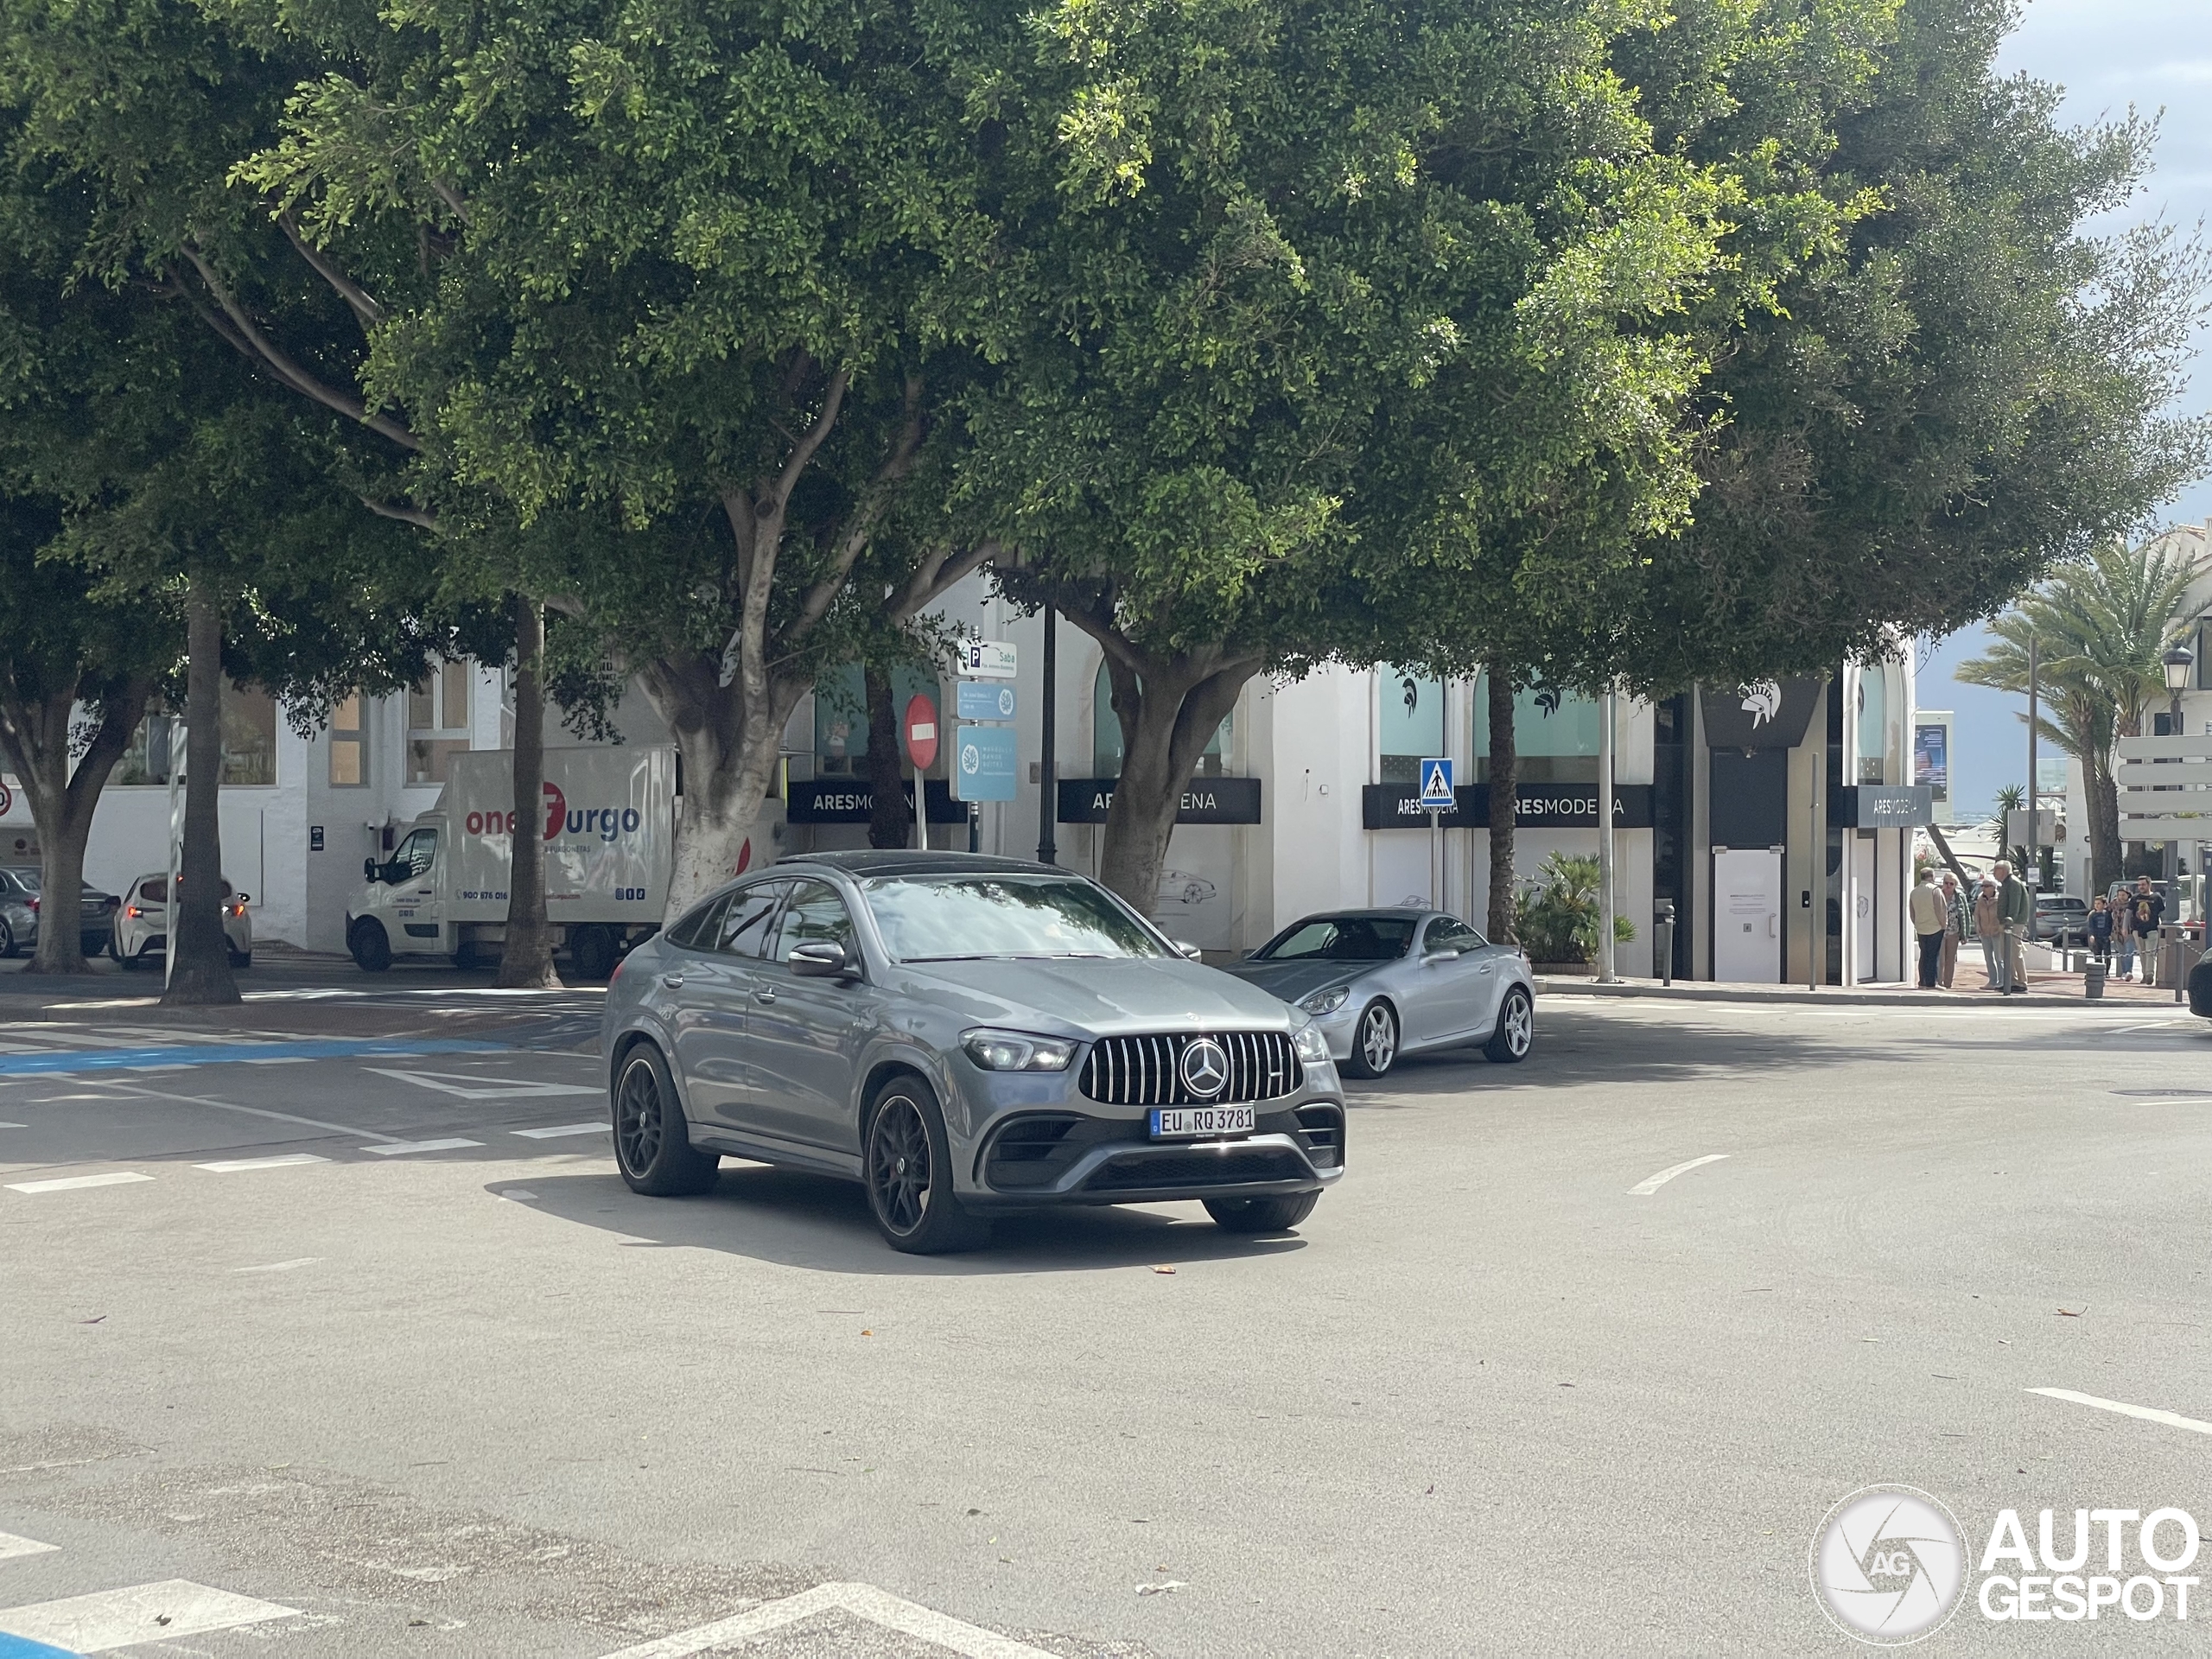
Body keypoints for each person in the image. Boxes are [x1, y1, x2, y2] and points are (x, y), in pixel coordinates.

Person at [1994, 860, 2031, 995]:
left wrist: (2007, 922)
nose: (1993, 873)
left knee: (2014, 953)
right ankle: (2011, 981)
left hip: (2013, 924)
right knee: (2006, 953)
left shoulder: (2013, 884)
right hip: (2008, 924)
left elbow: (2014, 907)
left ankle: (2021, 982)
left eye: (1995, 870)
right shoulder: (2006, 884)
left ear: (2003, 871)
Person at [1909, 869, 1947, 988]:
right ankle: (1931, 982)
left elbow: (1912, 912)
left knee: (1924, 955)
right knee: (1932, 956)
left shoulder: (1914, 892)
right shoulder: (1935, 890)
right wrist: (1943, 925)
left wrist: (1917, 923)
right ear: (1931, 876)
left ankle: (1922, 981)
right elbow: (1940, 910)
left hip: (1921, 927)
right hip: (1935, 927)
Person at [2126, 876, 2164, 984]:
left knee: (2150, 952)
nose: (2141, 887)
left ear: (2149, 885)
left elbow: (2162, 913)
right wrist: (2125, 927)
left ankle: (2149, 974)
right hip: (2137, 930)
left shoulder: (2157, 897)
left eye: (2143, 884)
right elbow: (2128, 913)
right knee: (2142, 953)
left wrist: (2163, 927)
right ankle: (2144, 974)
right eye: (2139, 885)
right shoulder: (2134, 898)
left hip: (2152, 929)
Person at [1974, 875, 2005, 990]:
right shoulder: (1980, 899)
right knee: (1988, 958)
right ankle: (1992, 981)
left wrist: (2000, 927)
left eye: (1986, 886)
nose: (1983, 888)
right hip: (1984, 932)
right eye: (1983, 886)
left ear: (1993, 887)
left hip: (1996, 932)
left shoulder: (1999, 899)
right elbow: (1976, 913)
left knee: (1999, 958)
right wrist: (1977, 925)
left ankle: (2002, 981)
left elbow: (2002, 915)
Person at [1940, 874, 1967, 988]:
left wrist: (1965, 934)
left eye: (1952, 884)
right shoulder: (1938, 894)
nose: (1949, 886)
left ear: (1955, 885)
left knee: (1950, 959)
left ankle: (1948, 983)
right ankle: (1939, 982)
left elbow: (1965, 915)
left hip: (1954, 932)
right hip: (1940, 932)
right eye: (1947, 883)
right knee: (1940, 959)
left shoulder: (1960, 896)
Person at [2087, 893, 2114, 964]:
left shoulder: (2107, 914)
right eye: (2095, 903)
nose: (2096, 905)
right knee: (2097, 955)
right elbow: (2091, 926)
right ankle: (2099, 969)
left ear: (2104, 904)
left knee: (2107, 955)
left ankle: (2107, 971)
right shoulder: (2092, 915)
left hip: (2106, 936)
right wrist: (2091, 935)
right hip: (2097, 937)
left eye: (2099, 903)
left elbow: (2110, 924)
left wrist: (2111, 934)